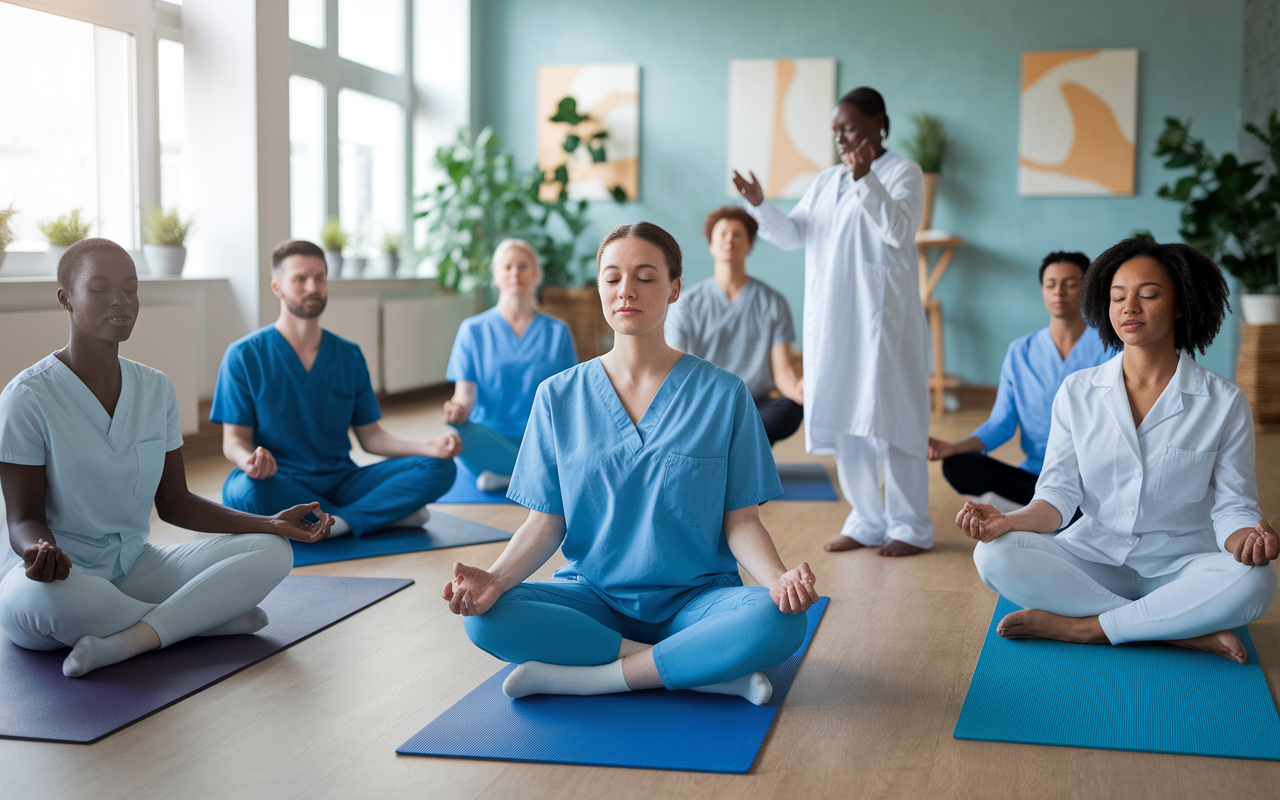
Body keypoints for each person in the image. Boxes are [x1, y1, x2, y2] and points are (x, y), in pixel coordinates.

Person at [442, 222, 818, 705]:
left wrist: (778, 580)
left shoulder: (726, 394)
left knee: (780, 620)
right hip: (595, 598)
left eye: (645, 277)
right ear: (599, 286)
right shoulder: (558, 396)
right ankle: (690, 665)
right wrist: (493, 581)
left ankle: (592, 677)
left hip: (697, 601)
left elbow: (741, 522)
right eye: (613, 277)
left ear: (674, 287)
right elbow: (545, 523)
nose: (627, 291)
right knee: (486, 617)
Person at [0, 239, 333, 678]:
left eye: (131, 288)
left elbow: (175, 502)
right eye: (99, 288)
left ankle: (129, 639)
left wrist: (271, 522)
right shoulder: (26, 397)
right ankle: (200, 621)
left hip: (134, 567)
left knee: (274, 553)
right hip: (62, 581)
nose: (121, 300)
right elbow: (22, 520)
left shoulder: (156, 388)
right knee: (51, 601)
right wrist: (39, 551)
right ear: (66, 298)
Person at [958, 238, 1277, 663]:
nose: (1130, 307)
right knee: (993, 555)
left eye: (1148, 295)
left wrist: (1248, 540)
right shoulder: (1077, 391)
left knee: (1256, 582)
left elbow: (1234, 507)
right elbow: (1057, 495)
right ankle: (1174, 630)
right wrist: (1007, 521)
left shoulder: (1224, 401)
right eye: (1117, 297)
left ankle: (1087, 628)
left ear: (1181, 305)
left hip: (1181, 565)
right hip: (1092, 556)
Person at [734, 86, 931, 556]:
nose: (839, 137)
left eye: (847, 126)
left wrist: (867, 179)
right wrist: (761, 204)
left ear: (878, 122)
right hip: (834, 324)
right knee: (846, 417)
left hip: (883, 323)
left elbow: (899, 231)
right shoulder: (826, 181)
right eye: (834, 130)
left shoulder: (904, 172)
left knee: (894, 419)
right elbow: (792, 235)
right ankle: (865, 518)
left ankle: (910, 526)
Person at [213, 239, 460, 538]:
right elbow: (234, 441)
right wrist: (249, 462)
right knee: (244, 490)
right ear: (277, 287)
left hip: (342, 480)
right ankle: (376, 515)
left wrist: (426, 447)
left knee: (441, 469)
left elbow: (372, 437)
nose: (312, 287)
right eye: (300, 279)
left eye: (320, 278)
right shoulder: (243, 355)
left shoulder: (349, 355)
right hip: (280, 480)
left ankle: (334, 523)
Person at [928, 252, 1114, 511]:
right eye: (1050, 284)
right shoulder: (1020, 351)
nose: (1058, 292)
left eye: (1070, 284)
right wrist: (955, 447)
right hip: (1036, 478)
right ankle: (1048, 512)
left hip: (1091, 481)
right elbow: (1001, 424)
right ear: (1043, 290)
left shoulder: (1111, 348)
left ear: (1087, 289)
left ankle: (1038, 512)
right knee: (957, 464)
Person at [443, 239, 577, 492]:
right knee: (458, 432)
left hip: (540, 438)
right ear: (496, 276)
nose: (515, 272)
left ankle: (505, 479)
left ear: (537, 275)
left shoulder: (557, 331)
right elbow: (464, 397)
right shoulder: (472, 330)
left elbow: (566, 398)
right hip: (489, 436)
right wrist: (456, 411)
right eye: (507, 267)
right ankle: (532, 479)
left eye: (523, 266)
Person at [665, 206, 804, 446]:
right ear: (711, 244)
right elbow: (675, 369)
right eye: (723, 234)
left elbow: (782, 371)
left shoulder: (773, 302)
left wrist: (799, 391)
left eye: (738, 234)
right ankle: (744, 450)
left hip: (755, 405)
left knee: (789, 410)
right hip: (705, 403)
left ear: (749, 245)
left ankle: (727, 446)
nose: (730, 239)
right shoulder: (685, 303)